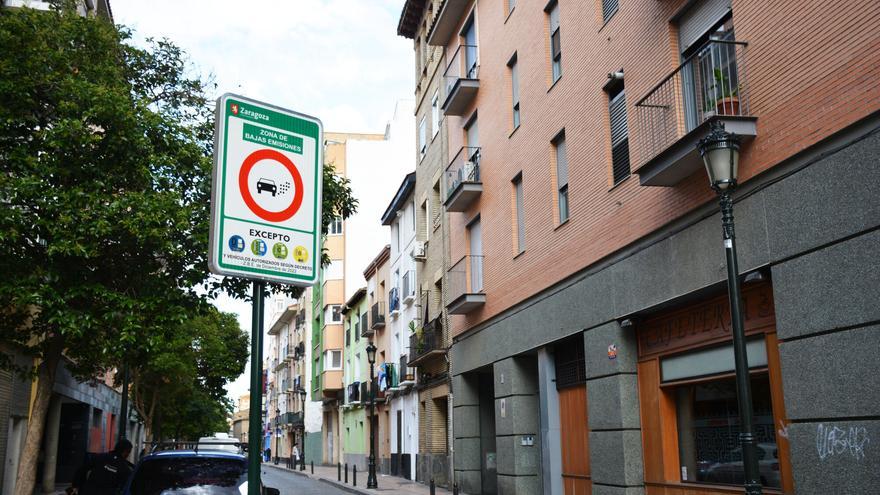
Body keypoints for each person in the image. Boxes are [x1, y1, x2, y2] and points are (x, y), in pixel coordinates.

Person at [69, 439, 134, 495]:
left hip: (89, 491)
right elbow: (125, 486)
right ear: (126, 451)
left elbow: (81, 470)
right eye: (129, 452)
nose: (128, 455)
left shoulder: (99, 457)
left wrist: (76, 485)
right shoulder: (125, 468)